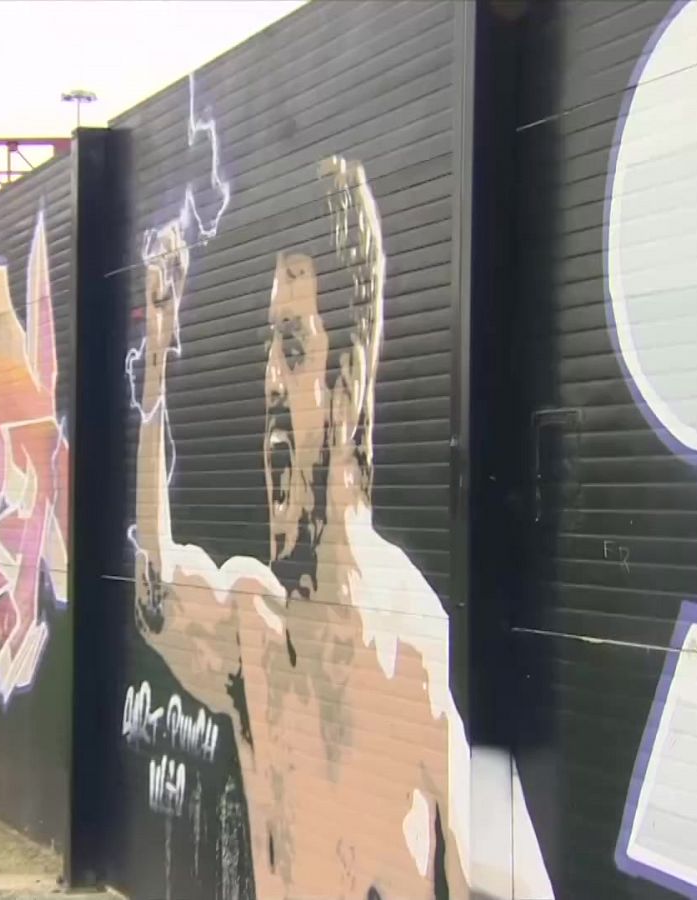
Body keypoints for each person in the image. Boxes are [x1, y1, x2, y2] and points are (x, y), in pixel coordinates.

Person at [132, 156, 531, 899]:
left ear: (348, 387)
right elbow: (154, 595)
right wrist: (157, 363)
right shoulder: (255, 620)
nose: (270, 386)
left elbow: (500, 877)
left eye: (292, 350)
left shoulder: (406, 640)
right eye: (267, 355)